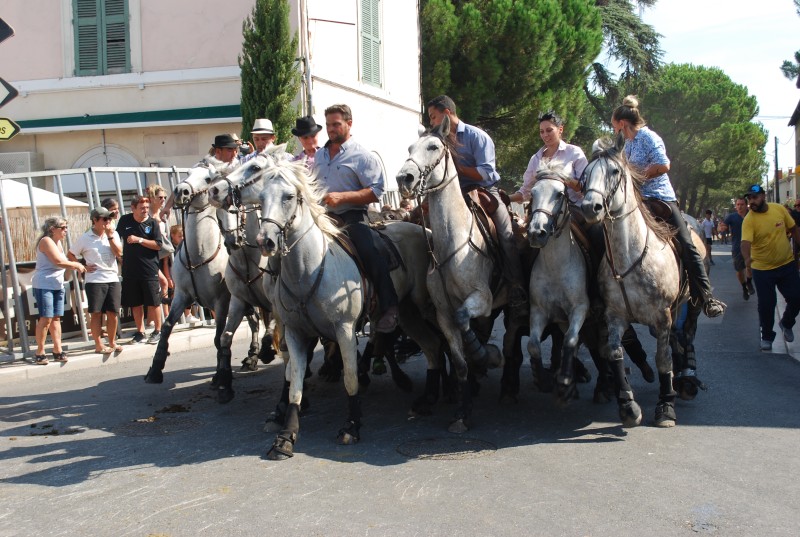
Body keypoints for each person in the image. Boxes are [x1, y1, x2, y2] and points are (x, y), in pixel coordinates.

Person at [611, 95, 726, 318]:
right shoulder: (627, 144)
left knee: (686, 243)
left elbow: (664, 165)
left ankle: (706, 297)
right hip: (636, 201)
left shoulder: (648, 137)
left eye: (614, 125)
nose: (614, 129)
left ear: (622, 123)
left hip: (659, 199)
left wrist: (638, 176)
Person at [426, 95, 527, 316]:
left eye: (433, 117)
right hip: (452, 193)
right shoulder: (437, 140)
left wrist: (456, 168)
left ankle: (516, 286)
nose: (431, 122)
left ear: (446, 113)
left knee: (506, 233)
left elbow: (487, 172)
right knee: (421, 224)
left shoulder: (477, 136)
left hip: (484, 191)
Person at [314, 103, 399, 332]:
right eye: (328, 125)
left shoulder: (362, 156)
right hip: (323, 216)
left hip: (352, 215)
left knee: (369, 249)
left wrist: (343, 197)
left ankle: (389, 306)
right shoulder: (319, 155)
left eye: (336, 124)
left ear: (349, 124)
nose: (330, 129)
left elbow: (376, 191)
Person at [741, 184, 800, 351]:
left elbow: (793, 229)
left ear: (763, 196)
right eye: (749, 198)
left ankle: (786, 323)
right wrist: (747, 258)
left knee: (796, 297)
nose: (751, 201)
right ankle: (767, 336)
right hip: (762, 270)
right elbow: (745, 243)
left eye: (755, 197)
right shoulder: (749, 220)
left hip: (786, 264)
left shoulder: (778, 209)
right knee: (767, 304)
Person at [31, 217, 87, 364]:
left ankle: (58, 349)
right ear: (52, 229)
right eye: (62, 228)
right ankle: (40, 352)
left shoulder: (58, 242)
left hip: (57, 284)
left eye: (66, 227)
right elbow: (58, 261)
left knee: (56, 318)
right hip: (44, 284)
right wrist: (76, 265)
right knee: (46, 318)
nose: (65, 230)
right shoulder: (46, 241)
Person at [68, 207, 123, 354]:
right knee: (96, 313)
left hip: (113, 278)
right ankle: (98, 345)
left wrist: (110, 236)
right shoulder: (85, 238)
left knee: (113, 312)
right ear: (95, 220)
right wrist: (82, 266)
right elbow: (71, 254)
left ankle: (112, 342)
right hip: (94, 280)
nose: (108, 221)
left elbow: (119, 253)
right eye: (105, 219)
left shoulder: (113, 234)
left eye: (109, 218)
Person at [509, 111, 588, 206]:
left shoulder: (574, 153)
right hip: (541, 210)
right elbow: (525, 192)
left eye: (549, 130)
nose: (545, 135)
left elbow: (585, 187)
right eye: (541, 132)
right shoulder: (535, 159)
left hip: (573, 209)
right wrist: (505, 198)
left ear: (560, 129)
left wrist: (563, 177)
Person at [117, 194, 164, 344]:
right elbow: (116, 238)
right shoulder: (125, 220)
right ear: (133, 208)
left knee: (153, 302)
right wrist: (118, 255)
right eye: (142, 207)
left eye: (147, 207)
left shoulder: (152, 223)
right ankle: (140, 332)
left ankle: (158, 330)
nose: (145, 210)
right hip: (130, 270)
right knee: (135, 303)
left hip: (149, 269)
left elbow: (158, 245)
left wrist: (140, 240)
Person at [721, 197, 755, 301]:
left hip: (751, 246)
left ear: (746, 205)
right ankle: (744, 287)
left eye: (742, 204)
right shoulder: (731, 217)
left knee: (749, 267)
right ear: (736, 206)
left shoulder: (752, 215)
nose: (740, 206)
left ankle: (749, 282)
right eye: (738, 205)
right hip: (737, 247)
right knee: (739, 271)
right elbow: (723, 226)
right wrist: (722, 228)